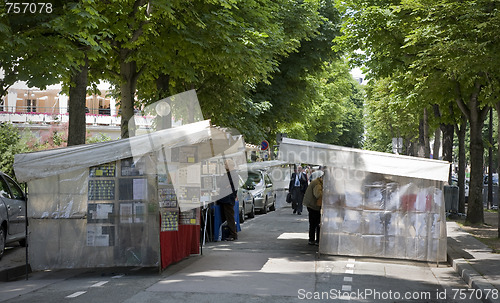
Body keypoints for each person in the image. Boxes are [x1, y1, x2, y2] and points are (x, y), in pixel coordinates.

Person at [217, 159, 238, 241]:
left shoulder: (232, 175)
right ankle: (229, 233)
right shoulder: (229, 174)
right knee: (227, 216)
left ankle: (233, 234)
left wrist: (226, 186)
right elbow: (222, 184)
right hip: (226, 198)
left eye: (226, 164)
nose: (224, 166)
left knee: (229, 217)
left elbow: (223, 184)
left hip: (228, 198)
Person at [302, 171, 323, 245]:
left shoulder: (317, 182)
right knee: (316, 224)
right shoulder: (318, 184)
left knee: (313, 224)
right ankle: (316, 240)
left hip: (311, 205)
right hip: (313, 206)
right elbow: (318, 195)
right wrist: (325, 192)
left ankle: (312, 239)